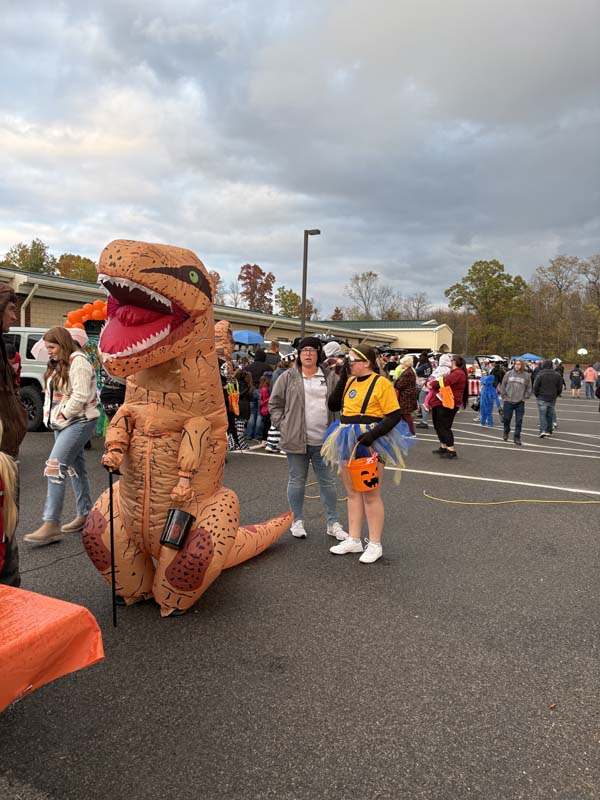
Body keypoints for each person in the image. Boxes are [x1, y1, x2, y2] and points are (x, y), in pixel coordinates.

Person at [321, 345, 412, 563]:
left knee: (370, 493)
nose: (349, 364)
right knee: (352, 491)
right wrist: (343, 377)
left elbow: (393, 415)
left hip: (371, 440)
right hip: (346, 437)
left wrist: (372, 436)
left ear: (367, 362)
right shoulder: (350, 381)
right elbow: (333, 404)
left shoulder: (381, 383)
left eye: (352, 361)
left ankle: (375, 543)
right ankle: (353, 539)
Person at [23, 327, 99, 546]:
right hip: (63, 423)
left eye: (52, 347)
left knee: (55, 467)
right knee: (76, 469)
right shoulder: (61, 364)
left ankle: (51, 524)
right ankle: (84, 513)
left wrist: (62, 415)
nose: (49, 351)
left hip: (78, 421)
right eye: (47, 347)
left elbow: (81, 396)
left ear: (63, 344)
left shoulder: (79, 363)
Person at [268, 337, 347, 541]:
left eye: (312, 350)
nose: (308, 354)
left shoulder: (329, 377)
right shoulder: (288, 377)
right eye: (304, 350)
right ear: (299, 354)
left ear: (319, 353)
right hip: (296, 440)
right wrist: (283, 425)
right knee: (296, 481)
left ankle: (333, 522)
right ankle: (297, 521)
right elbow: (274, 404)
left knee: (328, 483)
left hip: (324, 441)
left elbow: (341, 403)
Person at [0, 285, 28, 586]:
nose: (15, 315)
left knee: (8, 532)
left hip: (8, 451)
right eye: (11, 309)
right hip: (2, 456)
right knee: (5, 538)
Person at [428, 355, 469, 459]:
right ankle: (443, 446)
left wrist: (433, 383)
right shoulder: (455, 373)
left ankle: (451, 450)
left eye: (450, 360)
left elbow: (444, 382)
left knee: (444, 426)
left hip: (449, 403)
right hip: (443, 401)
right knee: (438, 424)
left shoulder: (458, 373)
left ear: (454, 362)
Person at [500, 359, 531, 445]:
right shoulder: (508, 374)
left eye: (519, 364)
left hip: (520, 402)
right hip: (508, 401)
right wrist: (504, 396)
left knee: (519, 421)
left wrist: (525, 397)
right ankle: (506, 431)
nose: (517, 366)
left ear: (522, 365)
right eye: (516, 364)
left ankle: (517, 437)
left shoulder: (526, 376)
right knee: (506, 419)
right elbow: (503, 385)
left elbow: (529, 388)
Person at [533, 359, 562, 437]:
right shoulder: (557, 374)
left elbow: (535, 386)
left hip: (542, 396)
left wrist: (537, 395)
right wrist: (557, 394)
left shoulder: (540, 374)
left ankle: (542, 430)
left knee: (542, 414)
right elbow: (560, 387)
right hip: (552, 397)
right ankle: (549, 430)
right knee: (550, 414)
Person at [246, 349, 270, 440]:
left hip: (251, 391)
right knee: (260, 414)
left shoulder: (249, 367)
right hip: (262, 391)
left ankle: (248, 434)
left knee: (252, 413)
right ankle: (258, 435)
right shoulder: (267, 367)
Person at [393, 354, 418, 435]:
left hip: (406, 396)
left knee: (406, 414)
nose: (401, 365)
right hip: (407, 395)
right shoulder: (410, 371)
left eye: (402, 363)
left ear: (406, 364)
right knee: (403, 414)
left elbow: (400, 385)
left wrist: (396, 381)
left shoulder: (407, 373)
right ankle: (405, 430)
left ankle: (411, 431)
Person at [415, 351, 433, 429]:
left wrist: (417, 365)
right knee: (425, 400)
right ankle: (422, 412)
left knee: (421, 400)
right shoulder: (429, 365)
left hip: (421, 382)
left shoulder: (423, 365)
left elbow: (416, 371)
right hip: (427, 381)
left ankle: (423, 414)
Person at [258, 374, 271, 446]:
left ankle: (263, 440)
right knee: (267, 426)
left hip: (263, 409)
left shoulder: (262, 388)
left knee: (265, 425)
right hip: (266, 408)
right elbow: (266, 399)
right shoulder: (266, 389)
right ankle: (265, 440)